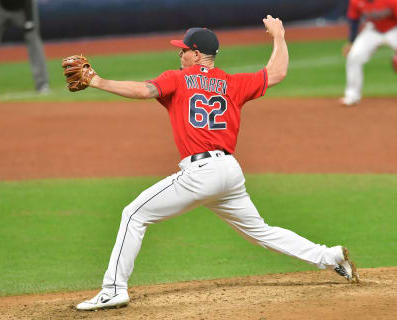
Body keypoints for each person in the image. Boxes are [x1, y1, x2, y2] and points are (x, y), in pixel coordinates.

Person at [67, 15, 359, 311]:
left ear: (196, 53)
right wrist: (279, 36)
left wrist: (96, 80)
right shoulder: (232, 83)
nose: (179, 54)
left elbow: (143, 90)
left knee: (133, 215)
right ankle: (330, 256)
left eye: (183, 49)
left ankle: (113, 289)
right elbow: (277, 72)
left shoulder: (177, 78)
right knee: (261, 231)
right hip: (230, 172)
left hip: (200, 173)